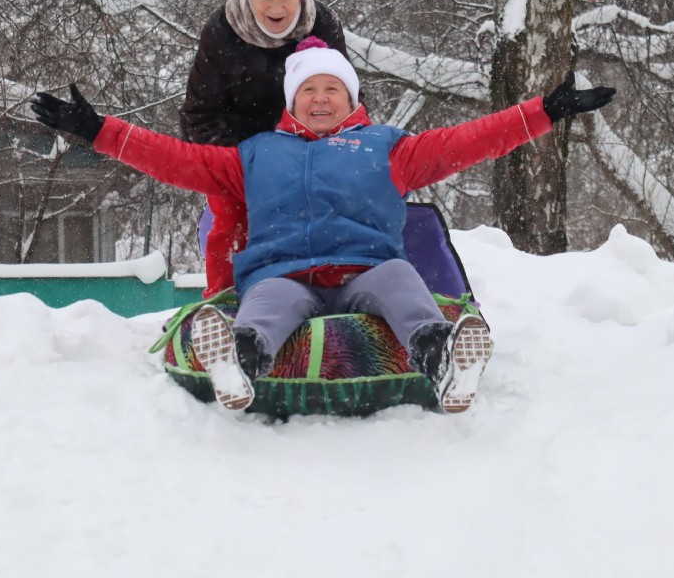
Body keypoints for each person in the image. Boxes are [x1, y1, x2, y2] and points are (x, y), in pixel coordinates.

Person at [31, 38, 615, 414]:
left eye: (331, 88)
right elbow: (176, 160)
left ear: (350, 97)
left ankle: (442, 356)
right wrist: (99, 130)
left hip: (367, 269)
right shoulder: (255, 154)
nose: (320, 98)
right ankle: (240, 358)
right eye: (308, 89)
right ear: (291, 101)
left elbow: (467, 141)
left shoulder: (387, 147)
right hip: (284, 273)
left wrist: (544, 111)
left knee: (402, 283)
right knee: (267, 304)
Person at [180, 0, 356, 298]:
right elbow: (200, 115)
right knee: (235, 219)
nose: (276, 8)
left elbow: (345, 99)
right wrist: (249, 165)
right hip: (240, 151)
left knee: (342, 212)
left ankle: (336, 288)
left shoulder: (323, 25)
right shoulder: (221, 32)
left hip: (308, 147)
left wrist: (329, 153)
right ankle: (225, 298)